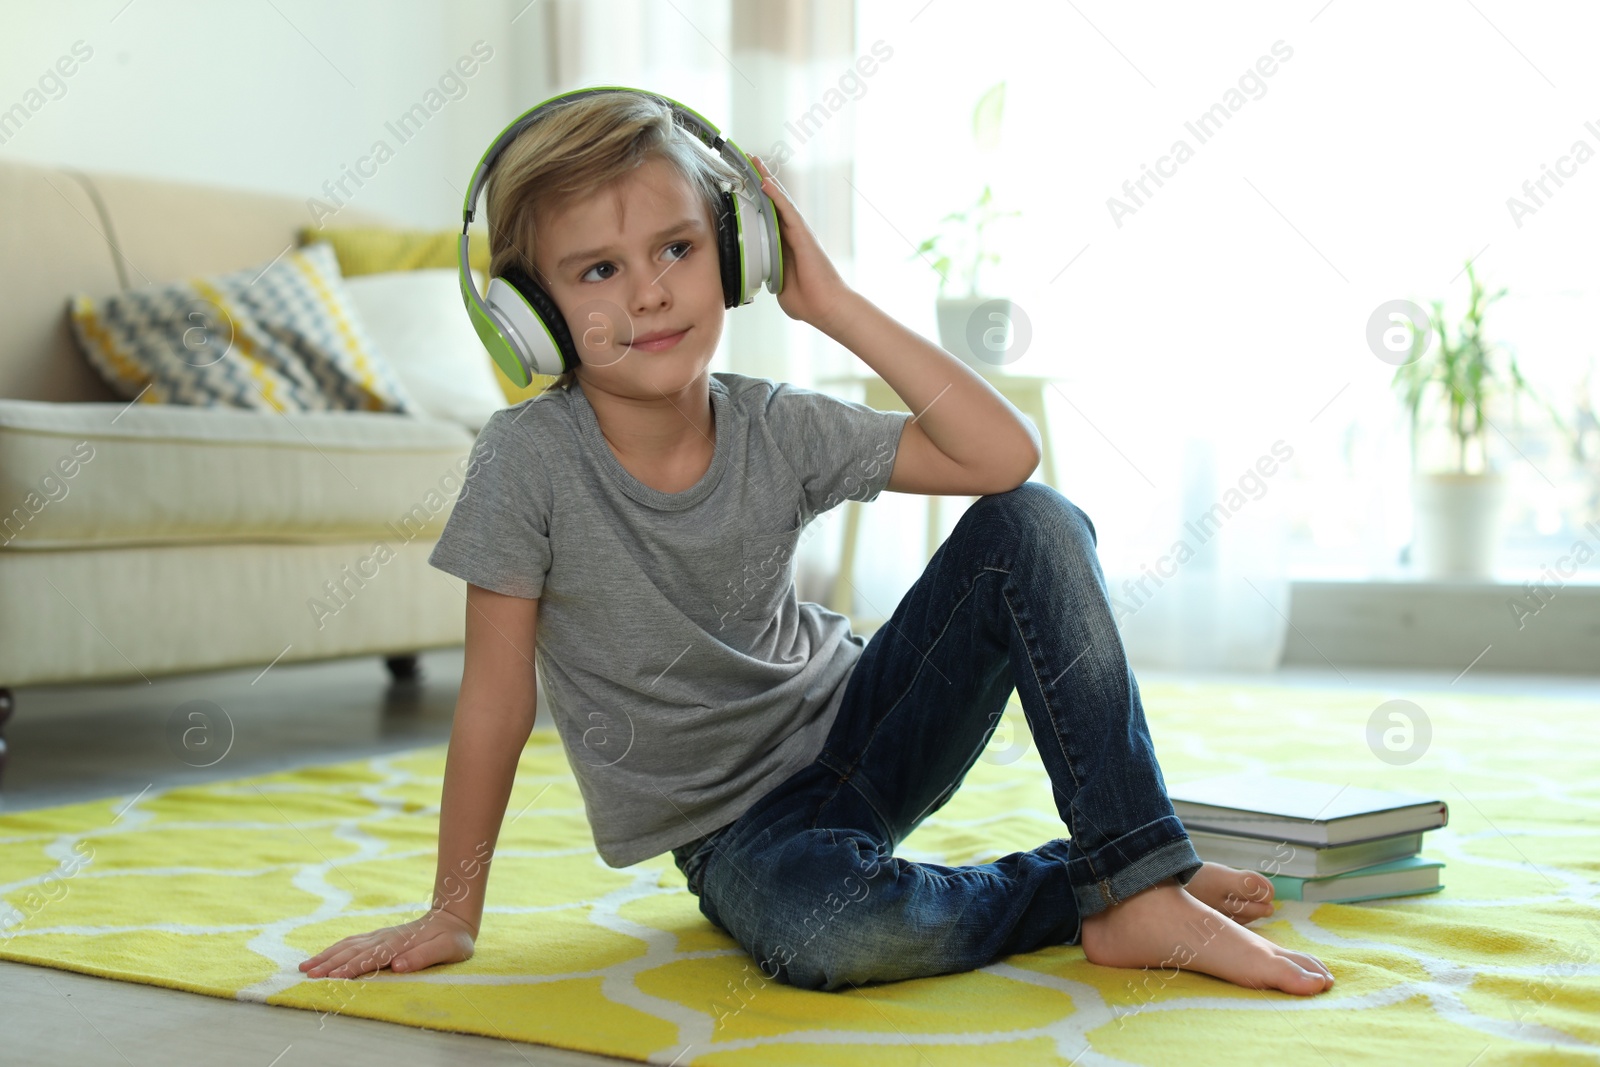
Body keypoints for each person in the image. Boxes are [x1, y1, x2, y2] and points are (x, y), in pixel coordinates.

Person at [299, 90, 1334, 997]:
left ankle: (1137, 872)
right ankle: (1097, 884)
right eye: (598, 271)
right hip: (739, 831)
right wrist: (452, 908)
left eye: (678, 249)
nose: (649, 291)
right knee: (832, 930)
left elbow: (1000, 459)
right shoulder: (524, 462)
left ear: (738, 252)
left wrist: (830, 302)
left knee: (1034, 520)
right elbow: (494, 698)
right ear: (532, 315)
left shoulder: (776, 424)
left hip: (862, 727)